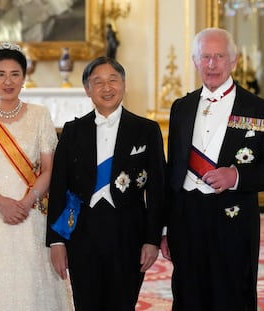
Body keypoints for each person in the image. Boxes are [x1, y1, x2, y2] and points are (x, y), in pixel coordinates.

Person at [46, 56, 166, 311]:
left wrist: (152, 239)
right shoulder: (72, 131)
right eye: (97, 82)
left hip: (129, 232)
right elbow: (58, 187)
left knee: (123, 303)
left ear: (124, 85)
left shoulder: (146, 130)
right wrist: (56, 241)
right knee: (86, 302)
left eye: (113, 80)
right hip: (82, 233)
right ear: (87, 89)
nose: (106, 87)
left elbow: (157, 189)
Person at [161, 27, 264, 311]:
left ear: (234, 61)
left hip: (234, 218)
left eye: (219, 56)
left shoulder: (257, 108)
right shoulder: (181, 107)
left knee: (231, 295)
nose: (211, 64)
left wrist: (237, 176)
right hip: (187, 217)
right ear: (195, 61)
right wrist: (167, 227)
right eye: (205, 57)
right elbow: (174, 171)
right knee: (188, 294)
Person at [0, 42, 73, 311]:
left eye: (15, 74)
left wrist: (25, 203)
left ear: (24, 78)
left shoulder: (40, 115)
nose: (8, 81)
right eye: (0, 74)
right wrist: (1, 201)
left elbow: (50, 169)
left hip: (30, 214)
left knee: (29, 280)